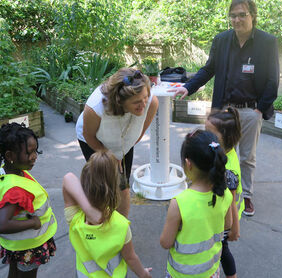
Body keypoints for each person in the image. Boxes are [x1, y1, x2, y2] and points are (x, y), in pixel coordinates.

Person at [170, 0, 280, 216]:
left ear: (253, 16)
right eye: (233, 15)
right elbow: (208, 68)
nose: (237, 19)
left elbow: (272, 79)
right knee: (218, 152)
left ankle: (246, 195)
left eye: (242, 15)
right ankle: (218, 190)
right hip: (222, 110)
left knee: (247, 156)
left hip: (250, 110)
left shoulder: (267, 42)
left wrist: (260, 109)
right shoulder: (221, 40)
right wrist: (188, 87)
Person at [76, 68, 159, 218]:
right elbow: (88, 135)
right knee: (103, 186)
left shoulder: (151, 102)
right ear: (120, 101)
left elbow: (137, 134)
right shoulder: (95, 108)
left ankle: (120, 227)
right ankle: (97, 224)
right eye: (136, 102)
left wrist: (121, 153)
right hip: (95, 140)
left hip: (123, 140)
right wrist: (110, 156)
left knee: (122, 185)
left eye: (145, 97)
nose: (143, 104)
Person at [62, 150, 152, 278]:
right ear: (114, 190)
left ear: (83, 187)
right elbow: (131, 258)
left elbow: (68, 178)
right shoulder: (121, 225)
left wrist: (88, 209)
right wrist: (144, 274)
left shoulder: (76, 220)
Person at [160, 130, 233, 278]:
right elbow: (227, 225)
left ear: (188, 163)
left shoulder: (179, 203)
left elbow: (166, 242)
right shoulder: (224, 194)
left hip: (180, 274)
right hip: (210, 271)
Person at [0, 123, 57, 278]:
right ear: (10, 156)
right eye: (29, 152)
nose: (34, 156)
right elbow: (1, 225)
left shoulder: (5, 171)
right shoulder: (16, 190)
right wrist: (33, 223)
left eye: (35, 150)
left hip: (17, 244)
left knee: (14, 273)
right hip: (28, 245)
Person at [205, 106, 243, 278]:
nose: (206, 137)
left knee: (223, 249)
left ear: (225, 138)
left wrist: (234, 228)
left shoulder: (228, 170)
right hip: (220, 212)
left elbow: (231, 201)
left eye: (210, 134)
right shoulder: (223, 151)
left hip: (225, 217)